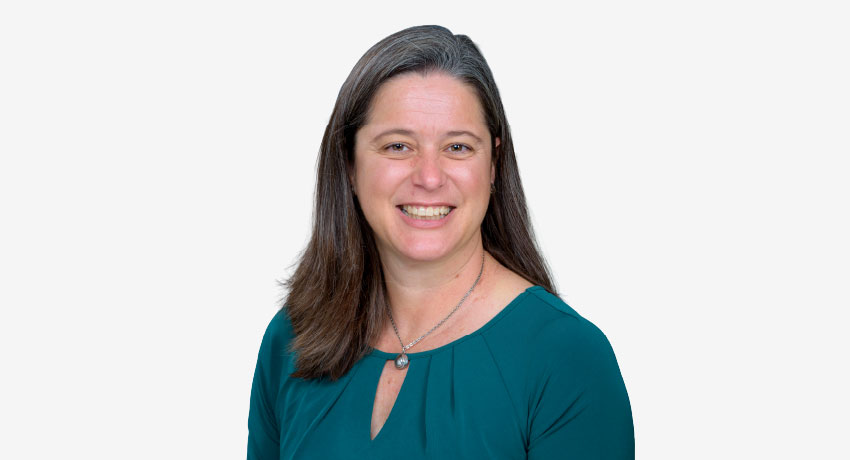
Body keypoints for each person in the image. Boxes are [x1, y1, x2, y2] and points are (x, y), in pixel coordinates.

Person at [248, 25, 634, 459]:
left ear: (494, 165)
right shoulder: (294, 339)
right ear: (349, 165)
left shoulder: (568, 359)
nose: (429, 177)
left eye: (458, 147)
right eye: (397, 146)